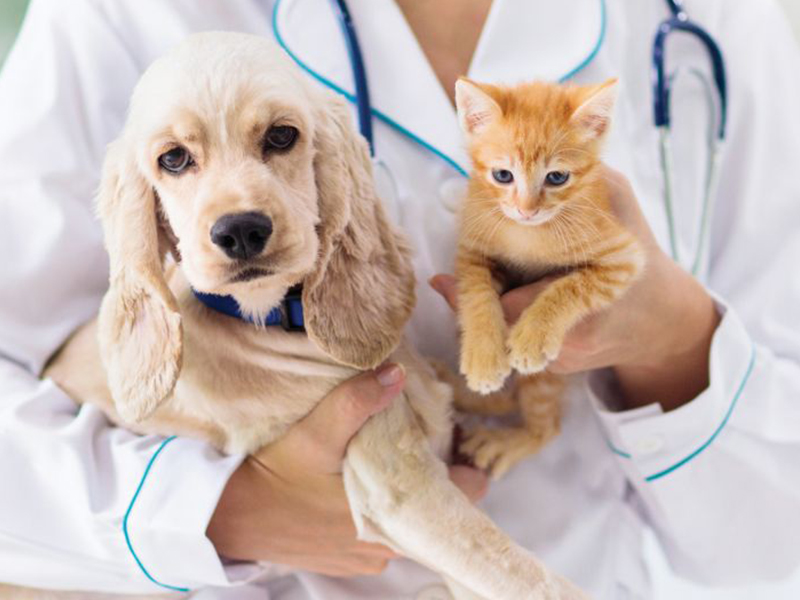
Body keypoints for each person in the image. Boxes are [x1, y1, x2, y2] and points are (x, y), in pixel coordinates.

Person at [1, 0, 799, 598]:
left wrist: (679, 342)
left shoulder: (732, 20)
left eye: (279, 139)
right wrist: (210, 511)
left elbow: (778, 538)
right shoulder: (117, 14)